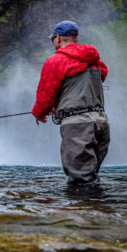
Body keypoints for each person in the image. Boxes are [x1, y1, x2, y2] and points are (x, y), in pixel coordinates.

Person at [32, 20, 110, 185]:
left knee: (81, 182)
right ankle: (98, 209)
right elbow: (102, 74)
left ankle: (84, 210)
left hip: (78, 127)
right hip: (101, 123)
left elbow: (45, 95)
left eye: (53, 39)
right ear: (76, 37)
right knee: (90, 178)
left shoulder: (55, 61)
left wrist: (39, 113)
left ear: (58, 38)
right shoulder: (94, 60)